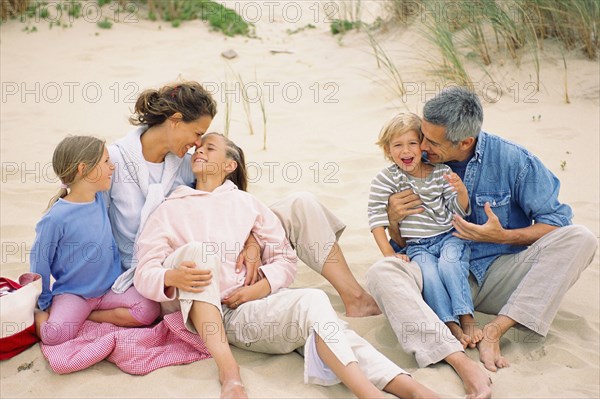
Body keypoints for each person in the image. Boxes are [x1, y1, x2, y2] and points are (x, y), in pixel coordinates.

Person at [133, 133, 438, 399]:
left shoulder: (247, 205)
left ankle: (398, 386)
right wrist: (172, 275)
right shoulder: (169, 208)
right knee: (196, 252)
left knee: (314, 305)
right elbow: (145, 271)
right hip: (206, 315)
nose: (199, 151)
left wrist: (260, 288)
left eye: (210, 148)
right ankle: (230, 374)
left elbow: (285, 259)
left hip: (249, 310)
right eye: (198, 148)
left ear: (229, 165)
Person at [366, 87, 598, 398]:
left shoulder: (515, 161)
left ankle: (495, 331)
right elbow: (403, 245)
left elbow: (556, 222)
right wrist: (393, 220)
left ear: (465, 142)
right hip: (435, 278)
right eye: (422, 135)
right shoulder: (408, 166)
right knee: (382, 272)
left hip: (500, 276)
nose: (420, 146)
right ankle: (458, 358)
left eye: (431, 142)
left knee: (581, 237)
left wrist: (505, 236)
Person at [107, 81, 380, 317]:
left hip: (220, 246)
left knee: (301, 204)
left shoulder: (186, 163)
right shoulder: (114, 160)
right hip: (165, 265)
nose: (197, 145)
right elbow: (82, 214)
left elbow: (227, 204)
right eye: (197, 134)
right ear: (176, 120)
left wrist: (250, 241)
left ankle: (355, 297)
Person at [30, 136, 160, 345]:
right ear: (83, 169)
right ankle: (40, 316)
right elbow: (40, 262)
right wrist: (44, 301)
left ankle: (88, 317)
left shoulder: (100, 199)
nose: (112, 167)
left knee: (149, 310)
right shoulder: (55, 219)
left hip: (111, 288)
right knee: (54, 337)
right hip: (75, 294)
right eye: (106, 161)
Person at [368, 112, 481, 348]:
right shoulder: (386, 179)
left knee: (450, 266)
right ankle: (449, 323)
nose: (406, 151)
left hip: (449, 237)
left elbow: (457, 209)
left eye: (412, 143)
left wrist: (461, 192)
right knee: (429, 275)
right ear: (388, 151)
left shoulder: (441, 172)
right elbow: (376, 219)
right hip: (418, 246)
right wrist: (389, 254)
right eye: (397, 145)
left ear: (422, 146)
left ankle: (466, 317)